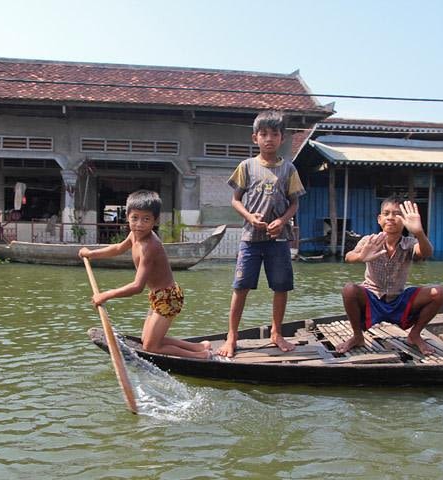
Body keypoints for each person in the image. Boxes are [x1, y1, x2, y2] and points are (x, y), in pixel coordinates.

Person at [78, 190, 211, 359]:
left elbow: (137, 287)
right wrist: (91, 253)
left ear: (154, 221)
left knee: (151, 346)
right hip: (157, 295)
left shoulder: (150, 246)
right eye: (135, 218)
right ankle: (198, 347)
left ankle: (201, 356)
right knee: (146, 340)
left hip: (169, 298)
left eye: (146, 219)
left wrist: (105, 295)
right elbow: (118, 248)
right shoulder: (134, 235)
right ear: (127, 217)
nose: (139, 224)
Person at [217, 110, 306, 358]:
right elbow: (235, 200)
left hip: (278, 239)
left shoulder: (289, 169)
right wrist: (249, 217)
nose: (269, 139)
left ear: (282, 138)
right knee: (241, 286)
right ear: (254, 137)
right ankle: (232, 335)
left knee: (281, 287)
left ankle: (276, 333)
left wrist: (282, 220)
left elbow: (295, 203)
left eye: (274, 134)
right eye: (264, 134)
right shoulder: (246, 167)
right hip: (250, 239)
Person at [336, 196, 443, 355]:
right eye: (386, 213)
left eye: (397, 214)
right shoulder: (370, 240)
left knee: (439, 293)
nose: (391, 217)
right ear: (379, 219)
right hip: (372, 297)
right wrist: (361, 257)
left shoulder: (409, 243)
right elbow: (349, 256)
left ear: (405, 220)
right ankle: (357, 336)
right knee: (349, 290)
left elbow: (426, 252)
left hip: (399, 298)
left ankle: (415, 335)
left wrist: (419, 233)